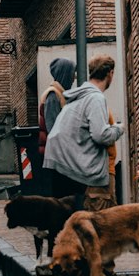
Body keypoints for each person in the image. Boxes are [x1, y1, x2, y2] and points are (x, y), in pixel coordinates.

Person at [43, 55, 124, 210]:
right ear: (110, 74)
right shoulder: (95, 98)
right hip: (91, 175)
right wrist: (119, 128)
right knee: (101, 220)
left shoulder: (77, 98)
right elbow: (101, 136)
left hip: (67, 171)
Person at [38, 57, 77, 193]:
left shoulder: (59, 94)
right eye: (72, 73)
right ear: (64, 74)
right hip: (58, 157)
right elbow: (53, 129)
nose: (74, 78)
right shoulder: (53, 96)